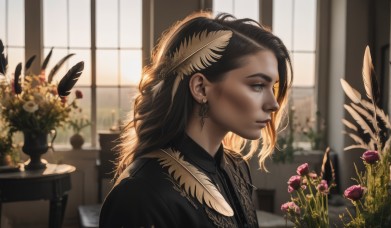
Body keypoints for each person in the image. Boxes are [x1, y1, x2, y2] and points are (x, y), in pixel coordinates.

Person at [99, 11, 292, 228]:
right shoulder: (138, 194)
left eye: (272, 87)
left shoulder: (236, 167)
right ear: (200, 88)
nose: (273, 104)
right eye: (257, 85)